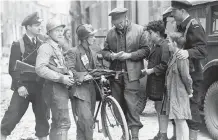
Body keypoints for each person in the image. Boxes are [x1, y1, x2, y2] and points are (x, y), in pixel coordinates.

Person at [102, 7, 150, 140]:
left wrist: (129, 55)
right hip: (116, 75)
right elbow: (104, 52)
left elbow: (146, 51)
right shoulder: (110, 33)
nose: (118, 26)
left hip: (132, 75)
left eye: (120, 23)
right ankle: (125, 132)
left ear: (126, 19)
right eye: (115, 24)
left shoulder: (139, 30)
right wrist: (112, 56)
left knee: (132, 105)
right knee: (118, 105)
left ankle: (134, 136)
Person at [1, 12, 49, 140]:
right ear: (28, 27)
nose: (40, 27)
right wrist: (19, 86)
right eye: (36, 25)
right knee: (12, 116)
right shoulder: (18, 44)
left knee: (43, 118)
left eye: (40, 25)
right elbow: (12, 68)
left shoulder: (42, 43)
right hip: (24, 87)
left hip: (40, 86)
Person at [169, 0, 208, 139]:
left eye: (174, 11)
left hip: (192, 74)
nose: (172, 14)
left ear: (182, 11)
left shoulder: (194, 25)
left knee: (192, 109)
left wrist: (188, 53)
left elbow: (203, 50)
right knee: (179, 109)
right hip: (181, 74)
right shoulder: (181, 26)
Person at [35, 18, 75, 140]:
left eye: (61, 30)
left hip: (58, 88)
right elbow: (40, 69)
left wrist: (68, 73)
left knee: (58, 123)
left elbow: (57, 66)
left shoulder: (56, 47)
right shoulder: (46, 47)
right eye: (56, 30)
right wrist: (61, 78)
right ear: (49, 32)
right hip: (54, 88)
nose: (60, 33)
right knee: (63, 123)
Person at [64, 24, 100, 140]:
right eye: (92, 36)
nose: (94, 38)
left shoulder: (93, 52)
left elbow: (97, 68)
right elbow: (69, 69)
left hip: (91, 91)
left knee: (84, 123)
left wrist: (102, 75)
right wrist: (82, 76)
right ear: (84, 38)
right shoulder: (73, 52)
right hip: (79, 91)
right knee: (87, 120)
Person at [142, 20, 171, 140]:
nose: (149, 35)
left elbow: (165, 65)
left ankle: (163, 135)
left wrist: (151, 70)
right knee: (158, 107)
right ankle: (161, 133)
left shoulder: (164, 45)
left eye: (151, 33)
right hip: (156, 83)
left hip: (162, 83)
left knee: (162, 109)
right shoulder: (156, 45)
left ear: (158, 33)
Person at [165, 32, 193, 140]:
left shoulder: (181, 57)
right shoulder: (174, 56)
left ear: (175, 43)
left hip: (180, 94)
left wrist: (190, 91)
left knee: (181, 120)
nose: (168, 44)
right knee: (178, 120)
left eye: (169, 42)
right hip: (175, 93)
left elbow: (186, 76)